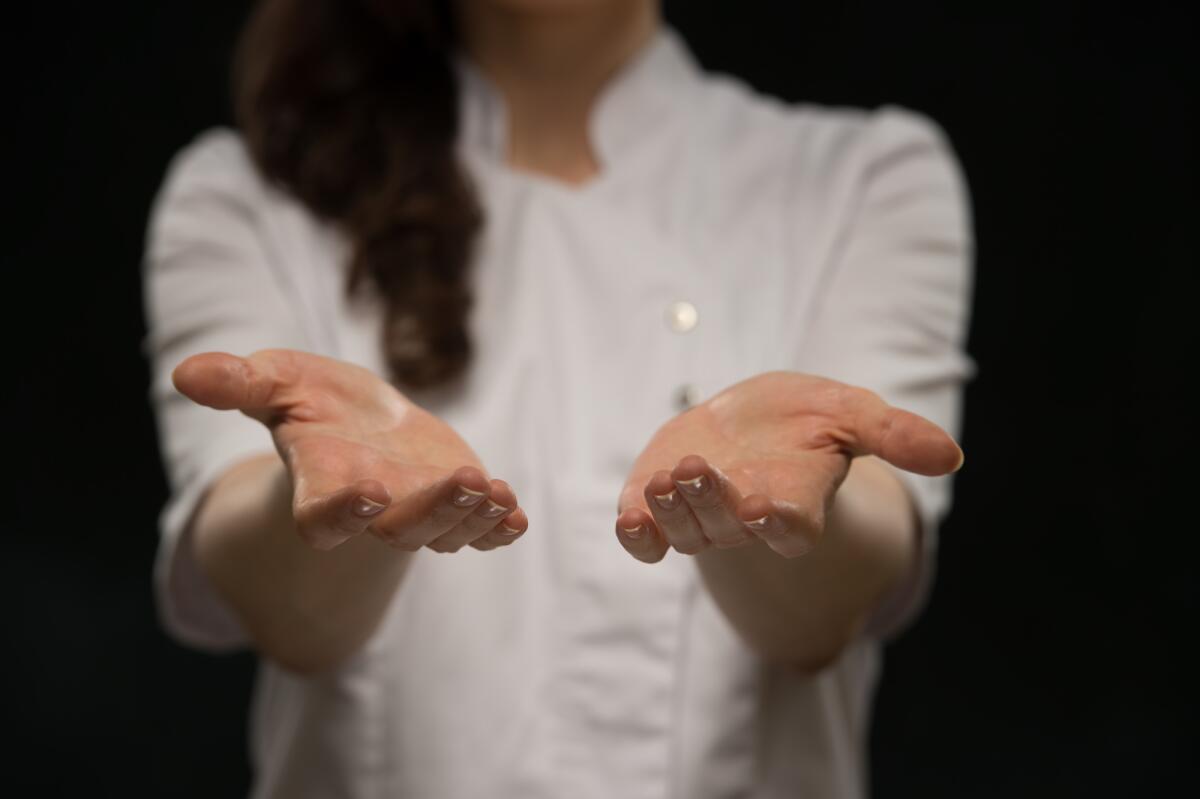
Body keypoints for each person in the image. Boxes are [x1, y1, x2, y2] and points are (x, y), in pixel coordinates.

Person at [141, 0, 976, 796]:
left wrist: (779, 499)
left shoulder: (864, 179)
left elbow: (828, 610)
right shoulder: (248, 196)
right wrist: (327, 491)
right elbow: (286, 612)